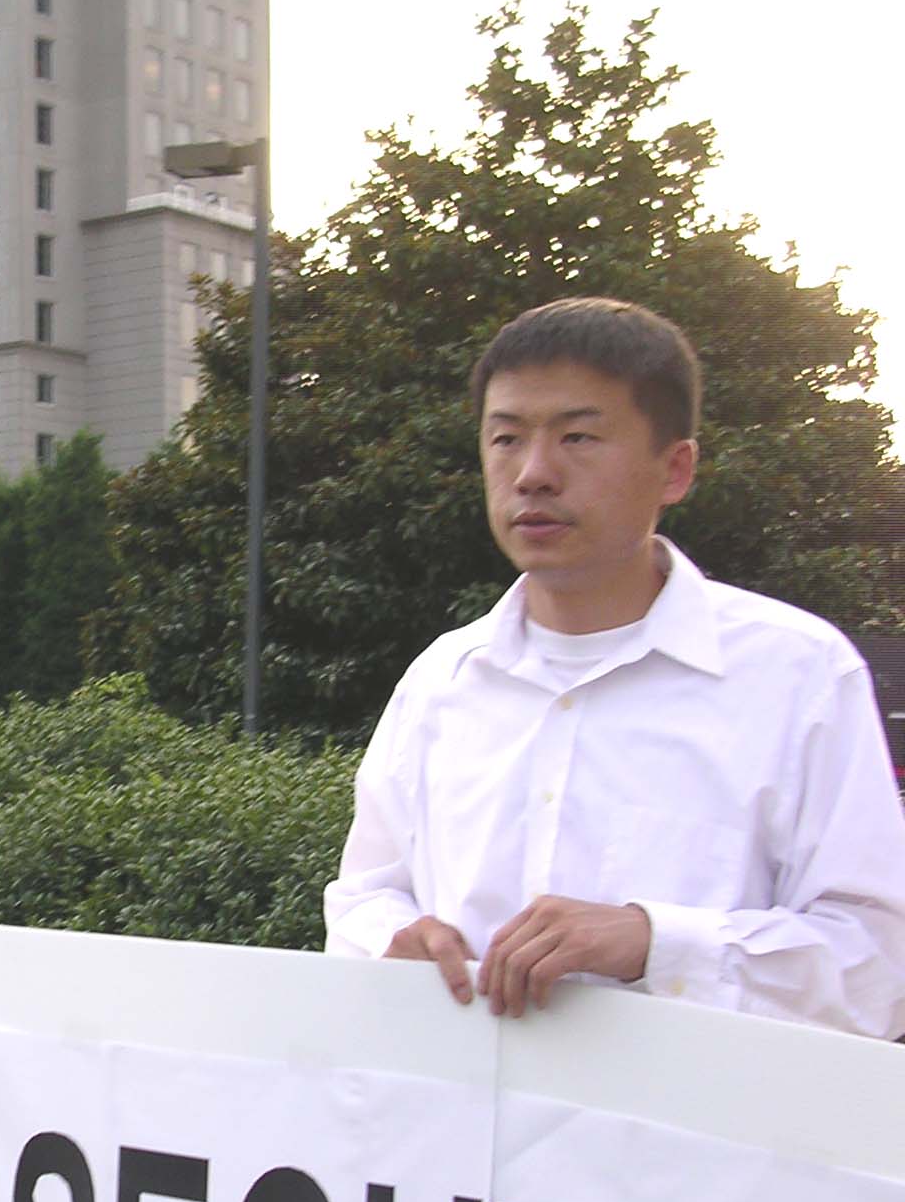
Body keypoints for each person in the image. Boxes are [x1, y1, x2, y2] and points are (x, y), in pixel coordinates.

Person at [324, 297, 905, 1036]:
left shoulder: (798, 675)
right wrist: (390, 942)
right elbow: (363, 901)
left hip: (699, 1113)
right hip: (457, 1105)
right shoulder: (442, 682)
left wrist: (655, 943)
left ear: (675, 469)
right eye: (506, 439)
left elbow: (879, 967)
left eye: (578, 437)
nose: (533, 473)